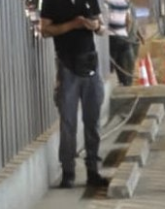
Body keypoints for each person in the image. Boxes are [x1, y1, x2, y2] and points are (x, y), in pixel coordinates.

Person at [39, 0, 110, 189]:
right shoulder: (51, 2)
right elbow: (45, 30)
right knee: (68, 122)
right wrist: (72, 25)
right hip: (67, 65)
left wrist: (93, 25)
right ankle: (68, 172)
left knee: (92, 121)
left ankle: (93, 170)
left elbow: (102, 28)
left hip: (90, 64)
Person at [106, 0, 134, 86]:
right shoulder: (125, 3)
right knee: (125, 69)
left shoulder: (106, 2)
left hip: (111, 38)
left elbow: (104, 20)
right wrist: (125, 33)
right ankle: (125, 85)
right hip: (123, 37)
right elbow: (128, 20)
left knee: (108, 69)